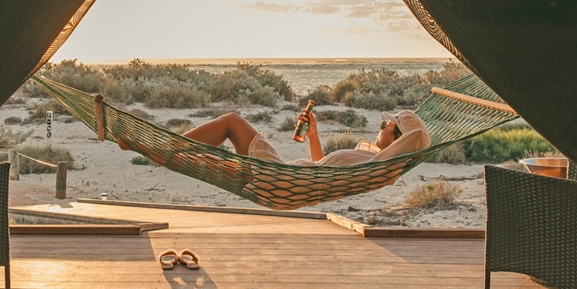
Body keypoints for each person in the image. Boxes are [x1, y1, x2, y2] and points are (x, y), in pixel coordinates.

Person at [142, 106, 431, 166]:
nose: (380, 127)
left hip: (280, 176)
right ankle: (163, 151)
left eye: (387, 126)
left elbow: (319, 176)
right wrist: (313, 134)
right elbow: (321, 166)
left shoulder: (373, 163)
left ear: (397, 139)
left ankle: (163, 149)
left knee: (232, 120)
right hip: (285, 178)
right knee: (228, 132)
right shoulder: (368, 159)